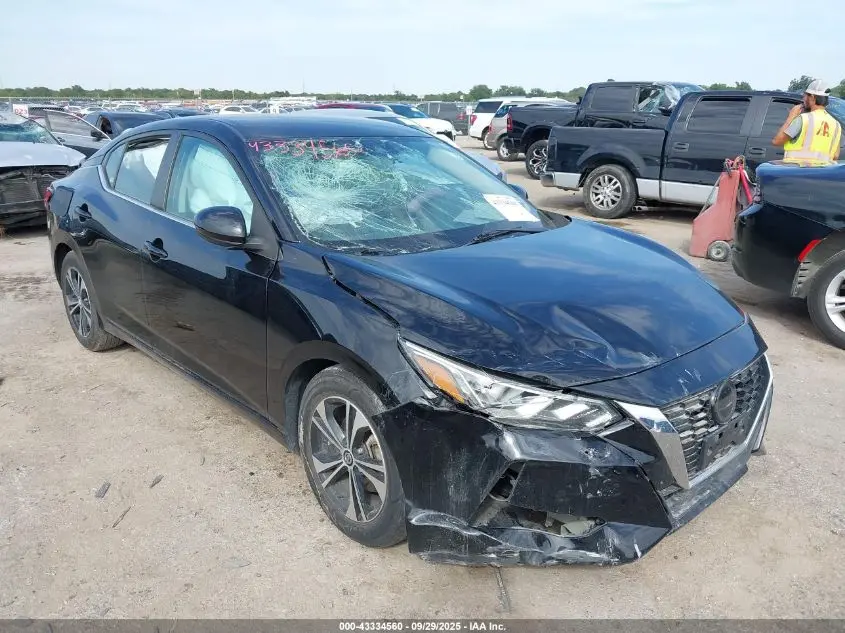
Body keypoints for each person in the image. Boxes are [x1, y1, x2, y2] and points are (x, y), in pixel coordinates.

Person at [772, 79, 841, 163]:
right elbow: (836, 155)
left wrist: (791, 116)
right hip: (822, 174)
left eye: (805, 96)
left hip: (798, 172)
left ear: (812, 97)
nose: (803, 99)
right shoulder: (836, 124)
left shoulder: (804, 119)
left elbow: (777, 141)